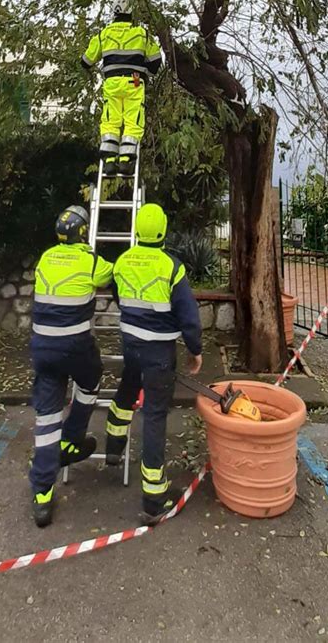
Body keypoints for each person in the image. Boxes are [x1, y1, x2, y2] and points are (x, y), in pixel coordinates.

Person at [105, 203, 202, 524]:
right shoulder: (172, 268)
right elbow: (188, 316)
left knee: (127, 389)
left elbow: (119, 296)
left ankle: (114, 445)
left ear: (137, 231)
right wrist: (195, 350)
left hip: (131, 344)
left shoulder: (121, 262)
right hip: (159, 354)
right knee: (155, 417)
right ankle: (153, 497)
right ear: (163, 232)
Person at [30, 205, 113, 527]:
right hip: (75, 347)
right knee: (90, 381)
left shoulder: (45, 258)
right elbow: (112, 275)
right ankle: (73, 438)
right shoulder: (90, 262)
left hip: (42, 348)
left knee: (47, 417)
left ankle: (42, 496)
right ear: (83, 232)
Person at [81, 0, 161, 178]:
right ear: (132, 12)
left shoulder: (104, 34)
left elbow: (86, 61)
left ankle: (109, 161)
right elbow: (156, 62)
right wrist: (144, 72)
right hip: (134, 81)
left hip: (112, 83)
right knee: (133, 120)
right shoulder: (142, 33)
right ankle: (126, 161)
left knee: (110, 119)